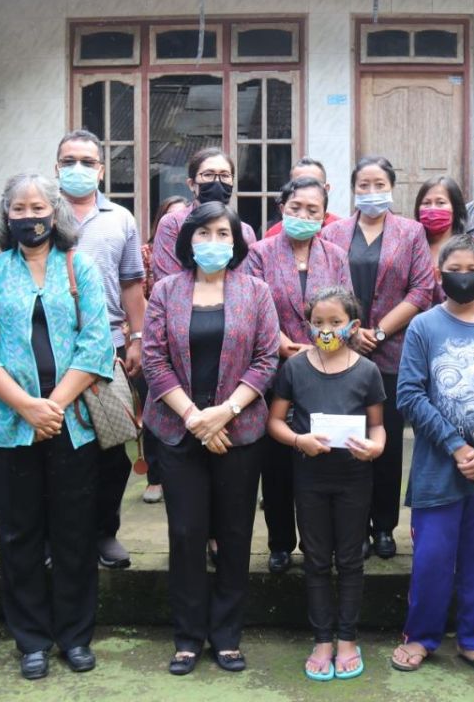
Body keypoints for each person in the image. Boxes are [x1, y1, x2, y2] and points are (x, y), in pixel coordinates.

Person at [0, 174, 115, 680]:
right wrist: (27, 406)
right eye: (19, 208)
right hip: (8, 427)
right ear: (7, 216)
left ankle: (74, 636)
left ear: (56, 213)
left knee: (73, 534)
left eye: (38, 207)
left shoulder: (81, 266)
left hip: (73, 427)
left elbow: (96, 344)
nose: (30, 217)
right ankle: (30, 639)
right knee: (20, 534)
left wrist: (54, 405)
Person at [142, 201, 280, 676]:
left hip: (238, 430)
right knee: (186, 534)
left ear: (237, 241)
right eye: (204, 233)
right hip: (178, 430)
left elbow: (266, 360)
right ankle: (187, 636)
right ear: (188, 241)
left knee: (236, 533)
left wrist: (223, 413)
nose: (214, 242)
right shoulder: (165, 290)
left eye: (223, 233)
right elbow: (155, 361)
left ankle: (226, 635)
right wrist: (195, 418)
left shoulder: (256, 291)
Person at [391, 235, 474, 676]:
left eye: (473, 269)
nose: (464, 276)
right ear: (439, 275)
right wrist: (456, 446)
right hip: (437, 471)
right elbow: (409, 394)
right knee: (431, 558)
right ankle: (421, 635)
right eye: (456, 269)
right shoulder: (424, 327)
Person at [267, 287, 387, 681]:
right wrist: (299, 440)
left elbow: (378, 426)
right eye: (317, 323)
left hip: (354, 478)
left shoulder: (367, 371)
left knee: (351, 559)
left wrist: (374, 447)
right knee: (316, 558)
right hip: (310, 478)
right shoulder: (295, 368)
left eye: (335, 323)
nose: (325, 330)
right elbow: (276, 421)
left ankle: (348, 638)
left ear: (353, 326)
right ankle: (322, 638)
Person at [321, 156, 435, 559]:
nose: (371, 192)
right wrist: (351, 332)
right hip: (341, 351)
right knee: (348, 441)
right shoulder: (332, 232)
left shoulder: (412, 232)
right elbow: (325, 289)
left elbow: (421, 291)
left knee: (384, 443)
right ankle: (353, 528)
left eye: (378, 184)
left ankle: (384, 527)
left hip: (392, 352)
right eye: (363, 185)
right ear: (353, 189)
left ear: (391, 187)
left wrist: (380, 331)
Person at [245, 177, 352, 574]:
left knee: (318, 455)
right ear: (282, 208)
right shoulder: (259, 253)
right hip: (273, 366)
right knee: (276, 461)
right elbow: (253, 303)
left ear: (324, 215)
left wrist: (320, 348)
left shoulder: (336, 255)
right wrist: (283, 343)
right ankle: (279, 542)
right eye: (296, 208)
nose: (303, 215)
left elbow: (345, 307)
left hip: (326, 367)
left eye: (313, 210)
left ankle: (317, 541)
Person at [55, 129, 145, 571]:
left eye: (87, 162)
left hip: (107, 346)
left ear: (101, 169)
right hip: (49, 350)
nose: (78, 169)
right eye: (69, 160)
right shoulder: (41, 215)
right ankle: (60, 538)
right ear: (57, 168)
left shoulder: (120, 219)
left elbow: (131, 283)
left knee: (112, 451)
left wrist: (138, 338)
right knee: (58, 450)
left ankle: (104, 532)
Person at [138, 195, 189, 505]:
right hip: (155, 334)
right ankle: (155, 476)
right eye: (172, 219)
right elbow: (139, 294)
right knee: (155, 408)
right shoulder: (147, 253)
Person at [152, 147, 257, 281]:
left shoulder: (245, 231)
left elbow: (246, 283)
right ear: (191, 184)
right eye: (208, 175)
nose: (217, 181)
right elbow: (167, 284)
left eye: (225, 175)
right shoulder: (173, 224)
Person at [414, 175, 469, 305]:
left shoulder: (470, 248)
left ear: (455, 208)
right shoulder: (409, 247)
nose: (433, 209)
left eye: (440, 203)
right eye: (426, 203)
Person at [263, 158, 341, 238]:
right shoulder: (274, 234)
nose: (305, 189)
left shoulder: (340, 230)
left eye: (313, 184)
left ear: (326, 189)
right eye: (299, 183)